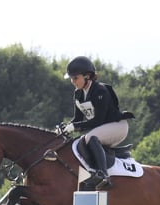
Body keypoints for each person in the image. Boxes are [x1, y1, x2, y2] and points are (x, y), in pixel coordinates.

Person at [57, 56, 134, 191]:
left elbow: (97, 121)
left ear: (87, 76)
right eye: (71, 78)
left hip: (118, 126)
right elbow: (77, 119)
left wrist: (74, 127)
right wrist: (65, 128)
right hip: (102, 128)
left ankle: (103, 176)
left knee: (91, 138)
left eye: (75, 78)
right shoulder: (78, 94)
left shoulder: (100, 91)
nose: (72, 81)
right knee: (82, 141)